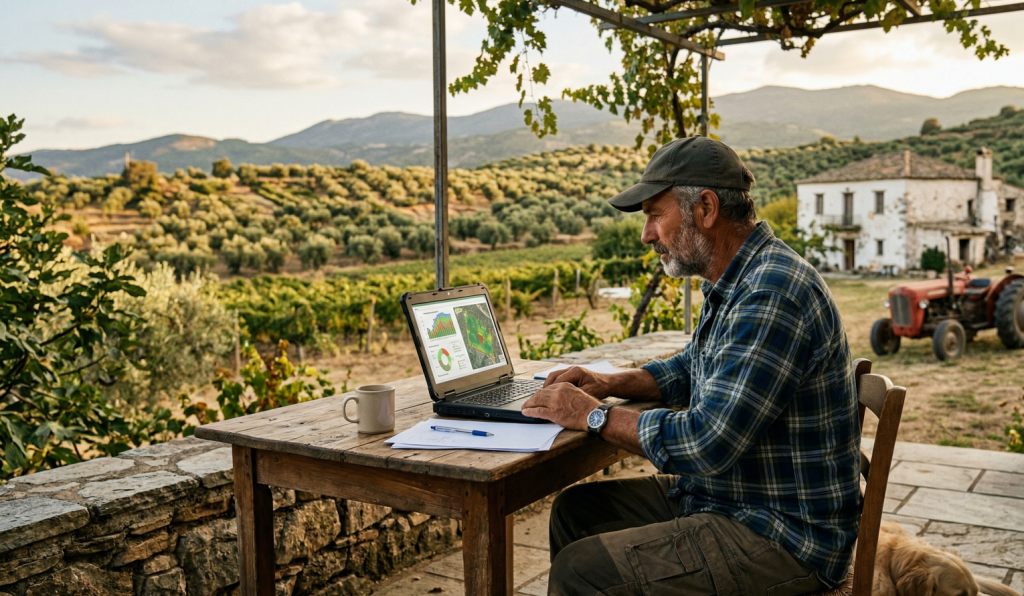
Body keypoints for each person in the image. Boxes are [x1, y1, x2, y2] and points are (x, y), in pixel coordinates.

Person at [521, 136, 861, 596]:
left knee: (582, 571)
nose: (647, 234)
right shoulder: (738, 278)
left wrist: (593, 416)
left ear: (705, 208)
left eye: (655, 215)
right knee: (578, 511)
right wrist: (607, 382)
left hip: (782, 535)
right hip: (731, 498)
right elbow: (691, 368)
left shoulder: (771, 292)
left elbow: (706, 442)